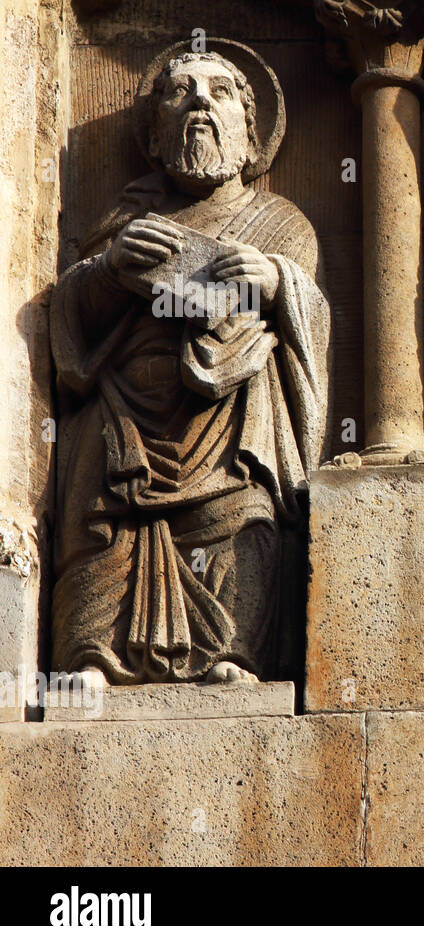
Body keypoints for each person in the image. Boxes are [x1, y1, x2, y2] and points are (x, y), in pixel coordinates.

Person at [50, 44, 329, 687]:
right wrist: (109, 269)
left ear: (251, 132)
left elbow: (307, 313)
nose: (202, 99)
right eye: (181, 90)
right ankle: (93, 654)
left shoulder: (278, 222)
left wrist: (275, 279)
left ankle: (235, 653)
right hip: (126, 417)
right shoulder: (122, 220)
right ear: (153, 134)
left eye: (222, 92)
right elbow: (71, 320)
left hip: (225, 417)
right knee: (102, 521)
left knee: (242, 519)